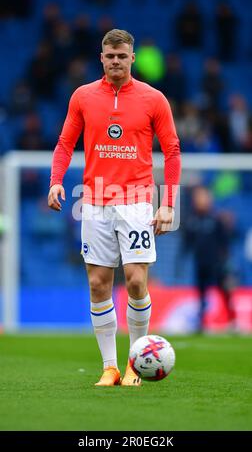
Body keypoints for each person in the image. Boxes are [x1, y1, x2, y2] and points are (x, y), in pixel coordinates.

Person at [48, 29, 181, 386]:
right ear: (101, 58)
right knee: (97, 283)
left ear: (132, 58)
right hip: (94, 201)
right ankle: (110, 367)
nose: (116, 62)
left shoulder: (154, 99)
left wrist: (168, 204)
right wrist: (56, 180)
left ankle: (137, 363)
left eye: (122, 56)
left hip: (137, 200)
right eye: (110, 56)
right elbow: (64, 144)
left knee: (136, 281)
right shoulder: (83, 96)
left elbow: (172, 151)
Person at [180, 186, 236, 331]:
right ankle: (201, 323)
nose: (200, 201)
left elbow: (226, 242)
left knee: (225, 292)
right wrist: (180, 263)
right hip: (201, 264)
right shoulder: (191, 221)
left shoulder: (217, 219)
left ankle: (232, 321)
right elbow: (187, 244)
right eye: (198, 198)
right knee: (201, 295)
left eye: (203, 197)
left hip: (217, 265)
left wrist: (227, 264)